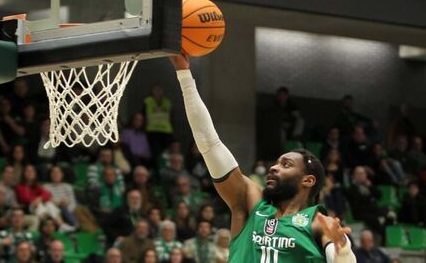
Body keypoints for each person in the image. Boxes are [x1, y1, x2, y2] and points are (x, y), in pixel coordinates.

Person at [170, 54, 356, 262]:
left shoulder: (320, 224)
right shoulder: (251, 203)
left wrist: (343, 250)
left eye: (286, 164)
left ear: (308, 180)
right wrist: (184, 75)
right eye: (276, 163)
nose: (274, 168)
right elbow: (208, 141)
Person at [143, 84, 174, 158]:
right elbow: (143, 115)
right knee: (155, 152)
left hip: (166, 130)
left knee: (165, 153)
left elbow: (172, 117)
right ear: (152, 91)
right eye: (156, 90)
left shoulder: (167, 102)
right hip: (152, 130)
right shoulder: (147, 101)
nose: (158, 92)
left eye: (160, 90)